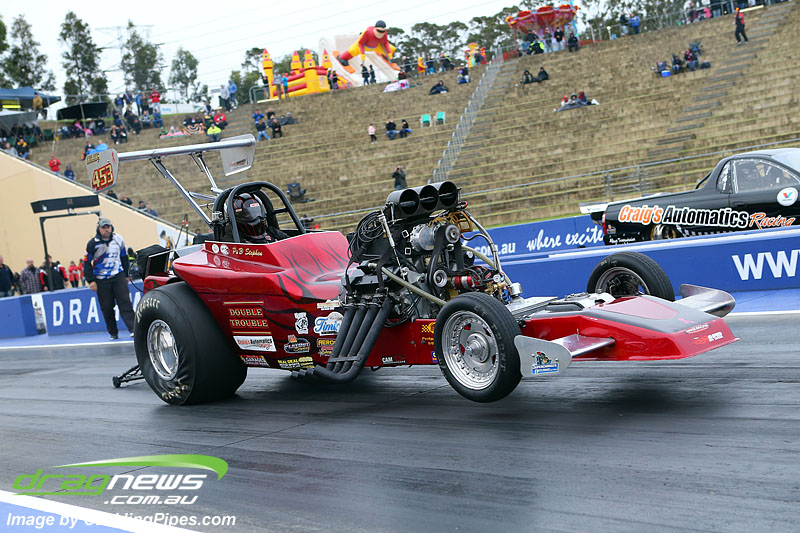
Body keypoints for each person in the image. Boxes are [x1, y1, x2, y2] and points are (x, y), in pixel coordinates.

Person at [83, 218, 135, 339]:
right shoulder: (92, 243)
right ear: (99, 229)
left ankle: (133, 328)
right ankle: (113, 332)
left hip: (118, 276)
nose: (106, 229)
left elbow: (124, 257)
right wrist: (91, 280)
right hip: (101, 279)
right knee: (106, 307)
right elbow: (86, 263)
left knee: (125, 303)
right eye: (103, 227)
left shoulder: (118, 239)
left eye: (108, 227)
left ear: (111, 227)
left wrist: (127, 275)